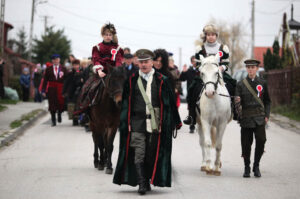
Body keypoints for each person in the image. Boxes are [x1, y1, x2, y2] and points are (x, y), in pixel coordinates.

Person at [113, 49, 182, 195]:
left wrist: (175, 122)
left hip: (156, 124)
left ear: (152, 62)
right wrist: (124, 122)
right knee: (139, 152)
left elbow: (169, 103)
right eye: (141, 62)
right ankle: (142, 184)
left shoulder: (162, 80)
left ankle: (148, 178)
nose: (144, 65)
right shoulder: (131, 81)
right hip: (137, 123)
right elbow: (125, 104)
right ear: (137, 63)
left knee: (151, 154)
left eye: (147, 62)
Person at [183, 24, 237, 126]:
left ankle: (235, 112)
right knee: (192, 88)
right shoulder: (200, 48)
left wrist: (221, 68)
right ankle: (191, 116)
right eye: (208, 35)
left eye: (213, 34)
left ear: (216, 36)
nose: (211, 36)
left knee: (233, 85)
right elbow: (198, 64)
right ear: (205, 36)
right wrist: (203, 69)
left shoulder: (223, 48)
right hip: (205, 75)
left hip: (220, 74)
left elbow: (226, 62)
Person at [235, 59, 271, 178]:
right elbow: (236, 104)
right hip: (246, 118)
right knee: (246, 144)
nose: (250, 69)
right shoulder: (240, 84)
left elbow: (267, 101)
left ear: (257, 69)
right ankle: (247, 167)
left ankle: (256, 166)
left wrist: (266, 115)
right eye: (248, 67)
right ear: (246, 69)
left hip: (259, 117)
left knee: (261, 141)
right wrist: (237, 102)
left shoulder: (262, 82)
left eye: (253, 67)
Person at [78, 23, 123, 113]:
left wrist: (116, 71)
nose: (108, 36)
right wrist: (99, 71)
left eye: (110, 35)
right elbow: (96, 59)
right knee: (87, 88)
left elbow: (118, 61)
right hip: (100, 73)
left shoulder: (118, 48)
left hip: (113, 74)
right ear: (102, 35)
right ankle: (85, 109)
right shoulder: (97, 47)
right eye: (106, 34)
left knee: (123, 89)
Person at [42, 54, 67, 126]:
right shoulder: (48, 69)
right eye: (54, 59)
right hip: (51, 89)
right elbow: (45, 81)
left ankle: (59, 114)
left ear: (59, 60)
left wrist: (66, 90)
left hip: (60, 88)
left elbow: (67, 79)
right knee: (52, 104)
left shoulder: (63, 69)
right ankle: (53, 120)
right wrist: (43, 90)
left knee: (60, 103)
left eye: (57, 59)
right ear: (52, 60)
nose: (56, 61)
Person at [179, 55, 198, 133]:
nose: (195, 63)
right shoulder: (189, 71)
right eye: (193, 61)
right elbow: (182, 79)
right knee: (191, 109)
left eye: (196, 61)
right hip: (191, 93)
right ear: (191, 62)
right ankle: (192, 125)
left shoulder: (201, 70)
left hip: (200, 92)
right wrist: (183, 72)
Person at [63, 59, 84, 126]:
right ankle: (74, 120)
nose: (76, 66)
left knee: (80, 106)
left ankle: (81, 119)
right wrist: (64, 91)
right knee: (72, 106)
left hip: (80, 91)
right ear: (73, 65)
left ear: (79, 65)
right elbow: (66, 82)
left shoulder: (82, 72)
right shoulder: (70, 73)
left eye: (77, 65)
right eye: (74, 65)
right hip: (72, 92)